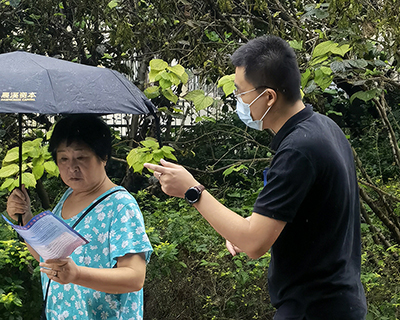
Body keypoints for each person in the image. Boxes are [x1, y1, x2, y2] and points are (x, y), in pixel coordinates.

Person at [144, 36, 367, 319]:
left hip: (314, 307)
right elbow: (309, 217)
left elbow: (253, 245)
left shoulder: (298, 151)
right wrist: (246, 228)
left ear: (269, 97)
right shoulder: (323, 128)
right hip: (339, 302)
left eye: (240, 92)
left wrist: (192, 191)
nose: (237, 100)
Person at [7, 114, 153, 320]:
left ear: (103, 157)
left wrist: (77, 275)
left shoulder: (120, 205)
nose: (71, 168)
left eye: (81, 158)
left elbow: (134, 278)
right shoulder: (68, 196)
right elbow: (49, 259)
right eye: (63, 159)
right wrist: (25, 217)